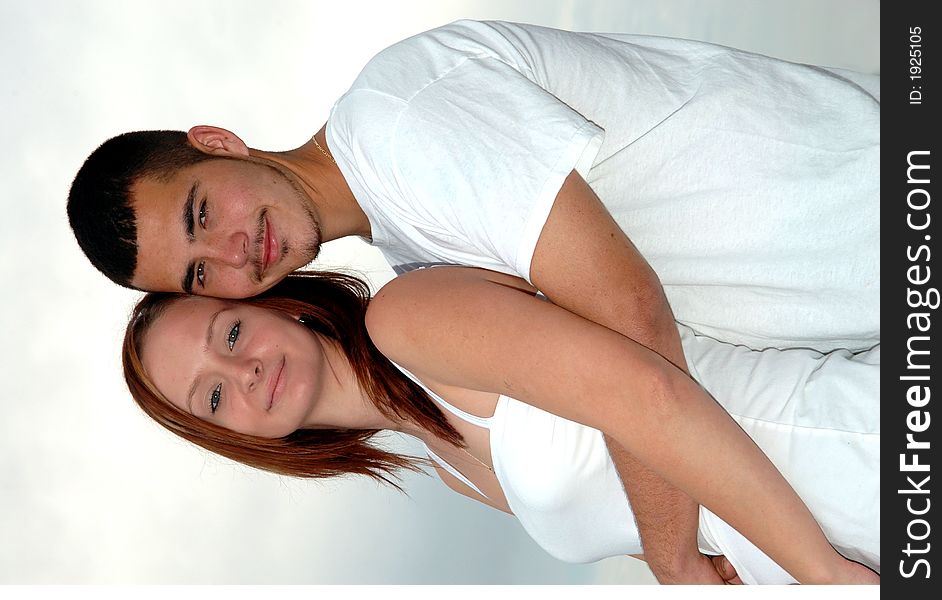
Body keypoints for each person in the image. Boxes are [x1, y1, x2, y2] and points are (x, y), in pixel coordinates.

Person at [69, 20, 879, 582]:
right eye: (201, 274)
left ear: (215, 143)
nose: (233, 253)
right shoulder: (418, 250)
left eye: (203, 214)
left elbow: (635, 333)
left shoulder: (400, 126)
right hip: (856, 367)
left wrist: (686, 565)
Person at [123, 268, 879, 584]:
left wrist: (819, 574)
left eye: (228, 336)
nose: (244, 373)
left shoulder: (407, 320)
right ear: (239, 440)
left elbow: (648, 394)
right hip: (808, 545)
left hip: (835, 450)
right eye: (212, 399)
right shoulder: (446, 466)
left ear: (277, 303)